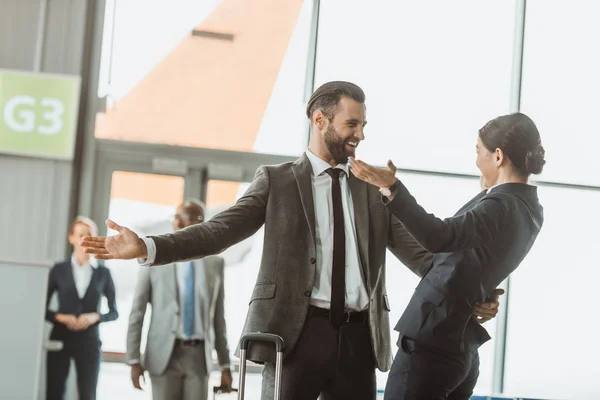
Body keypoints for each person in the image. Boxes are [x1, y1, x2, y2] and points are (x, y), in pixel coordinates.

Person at [80, 81, 501, 400]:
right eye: (352, 124)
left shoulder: (371, 189)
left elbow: (423, 257)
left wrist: (469, 294)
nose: (360, 135)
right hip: (296, 336)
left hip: (359, 338)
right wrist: (150, 247)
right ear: (320, 120)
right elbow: (219, 231)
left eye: (364, 125)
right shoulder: (278, 182)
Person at [350, 112, 545, 400]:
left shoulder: (499, 205)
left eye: (479, 151)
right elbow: (473, 261)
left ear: (499, 156)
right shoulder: (528, 206)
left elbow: (439, 237)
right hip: (460, 348)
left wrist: (392, 188)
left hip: (432, 346)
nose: (476, 159)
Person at [126, 199, 233, 400]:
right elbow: (137, 312)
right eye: (175, 218)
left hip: (199, 357)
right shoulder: (154, 260)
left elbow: (218, 317)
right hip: (163, 355)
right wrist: (133, 358)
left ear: (199, 222)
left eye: (183, 218)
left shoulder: (215, 263)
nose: (177, 224)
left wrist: (225, 364)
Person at [45, 216, 118, 400]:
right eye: (80, 235)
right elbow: (41, 308)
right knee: (54, 393)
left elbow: (114, 312)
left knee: (87, 395)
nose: (84, 239)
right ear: (71, 238)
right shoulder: (58, 270)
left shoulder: (103, 273)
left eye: (89, 235)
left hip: (89, 342)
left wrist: (96, 317)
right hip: (61, 338)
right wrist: (60, 317)